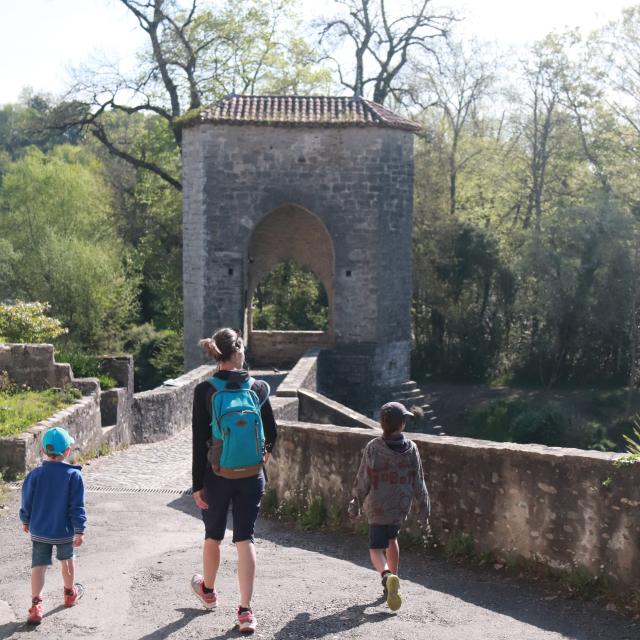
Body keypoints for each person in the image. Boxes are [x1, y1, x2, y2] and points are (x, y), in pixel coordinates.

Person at [191, 327, 277, 635]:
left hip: (216, 476)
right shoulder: (259, 387)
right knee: (245, 538)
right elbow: (272, 432)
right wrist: (261, 458)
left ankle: (209, 592)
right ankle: (245, 612)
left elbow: (199, 440)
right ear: (239, 351)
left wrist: (197, 484)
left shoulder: (205, 391)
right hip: (251, 476)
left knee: (212, 535)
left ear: (217, 354)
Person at [348, 402, 430, 612]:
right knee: (392, 539)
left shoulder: (374, 447)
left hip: (378, 506)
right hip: (400, 505)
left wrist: (355, 502)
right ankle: (393, 582)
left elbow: (363, 477)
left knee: (376, 548)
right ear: (402, 425)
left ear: (382, 423)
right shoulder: (412, 448)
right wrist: (424, 510)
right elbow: (419, 481)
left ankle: (387, 577)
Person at [19, 426, 86, 625]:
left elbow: (26, 500)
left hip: (39, 529)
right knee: (67, 560)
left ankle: (36, 605)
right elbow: (77, 505)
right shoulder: (74, 476)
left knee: (39, 565)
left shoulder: (35, 475)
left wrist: (26, 519)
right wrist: (80, 529)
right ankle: (69, 594)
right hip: (63, 531)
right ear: (67, 451)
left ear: (43, 452)